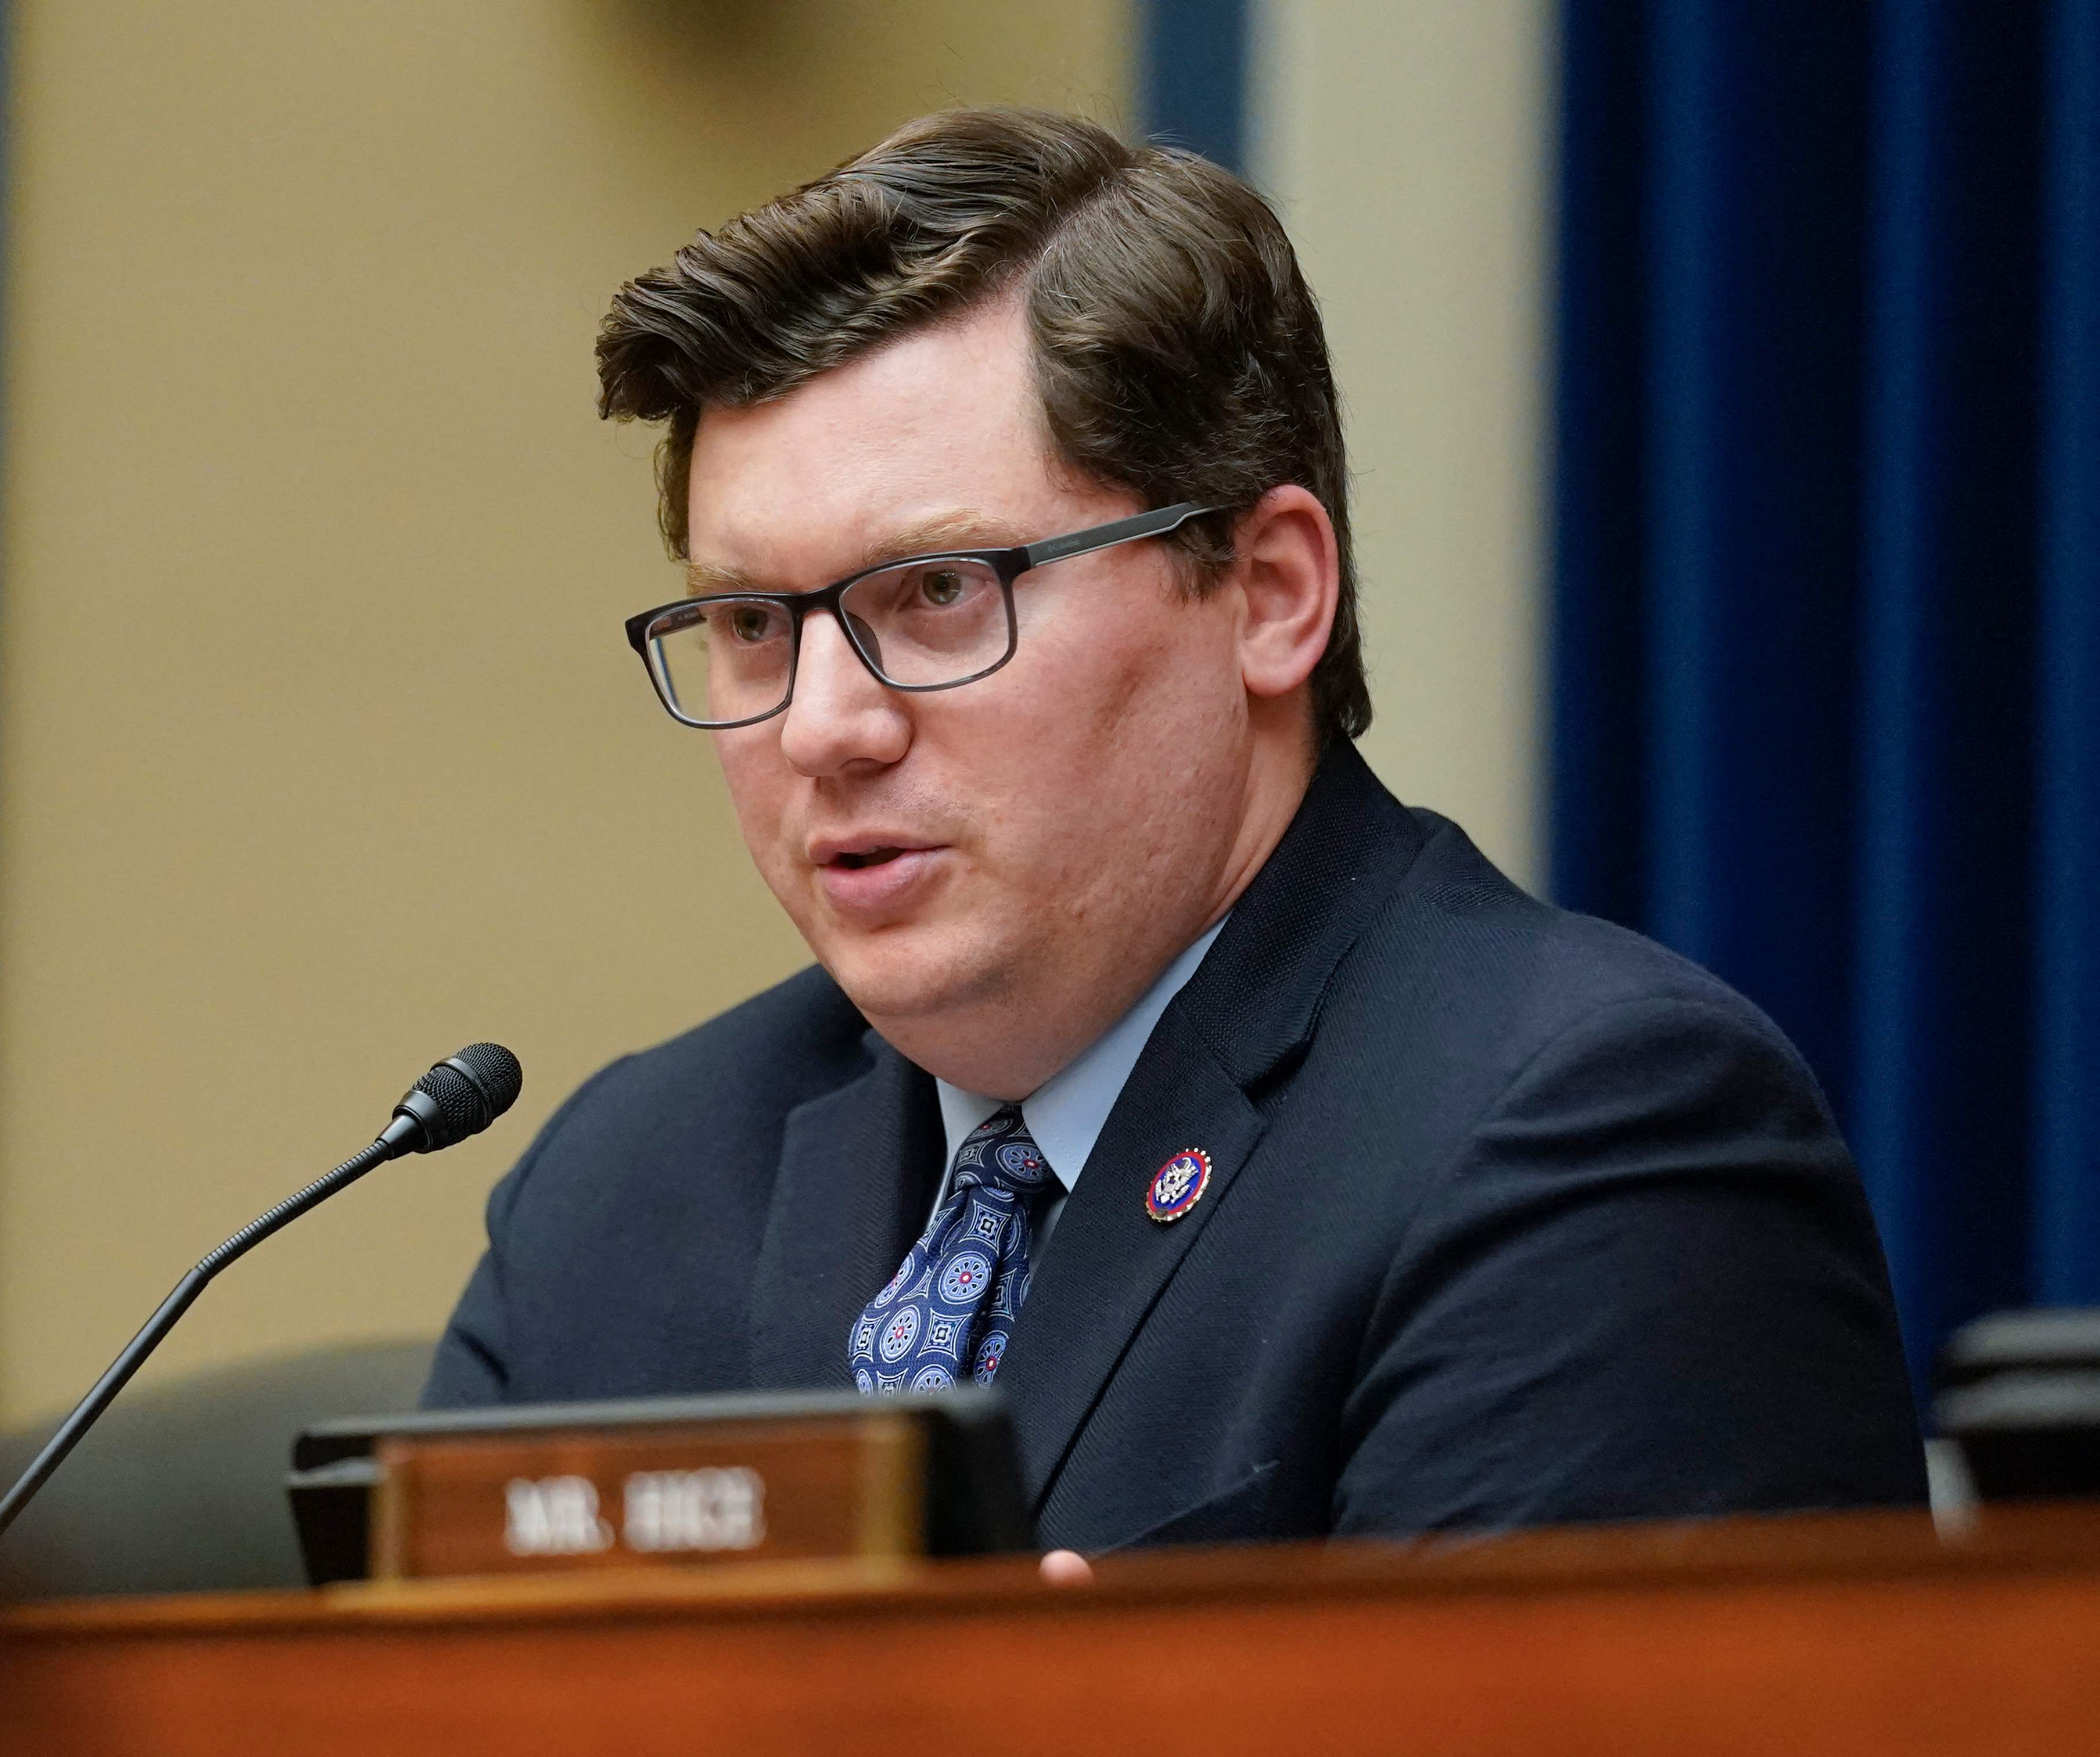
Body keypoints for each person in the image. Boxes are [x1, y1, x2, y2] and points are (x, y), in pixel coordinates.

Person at [422, 107, 1927, 1552]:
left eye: (940, 593)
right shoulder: (628, 1182)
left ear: (1266, 591)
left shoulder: (1589, 1143)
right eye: (752, 622)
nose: (820, 724)